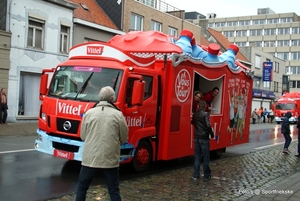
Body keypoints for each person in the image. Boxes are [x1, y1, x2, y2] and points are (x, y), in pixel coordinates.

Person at [75, 86, 128, 201]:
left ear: (99, 97)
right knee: (114, 190)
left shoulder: (89, 113)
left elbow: (83, 136)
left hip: (90, 159)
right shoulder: (118, 115)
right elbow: (124, 138)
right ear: (112, 98)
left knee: (82, 187)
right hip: (110, 160)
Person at [191, 99, 214, 181]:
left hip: (196, 137)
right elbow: (208, 125)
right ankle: (207, 175)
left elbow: (192, 122)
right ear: (205, 106)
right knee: (205, 157)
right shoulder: (206, 114)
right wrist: (211, 133)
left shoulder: (195, 114)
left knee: (197, 157)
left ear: (198, 106)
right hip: (204, 138)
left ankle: (196, 175)